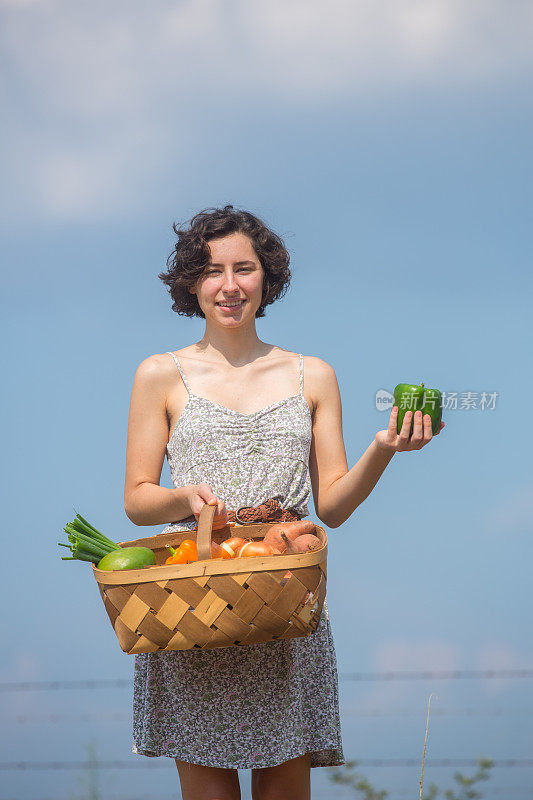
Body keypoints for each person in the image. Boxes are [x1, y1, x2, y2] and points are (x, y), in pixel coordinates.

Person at [123, 205, 444, 800]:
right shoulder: (159, 375)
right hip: (199, 609)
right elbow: (138, 502)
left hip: (285, 604)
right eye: (212, 270)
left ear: (266, 277)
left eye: (244, 268)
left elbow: (336, 506)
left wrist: (385, 448)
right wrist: (182, 498)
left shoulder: (312, 374)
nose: (229, 285)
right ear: (191, 280)